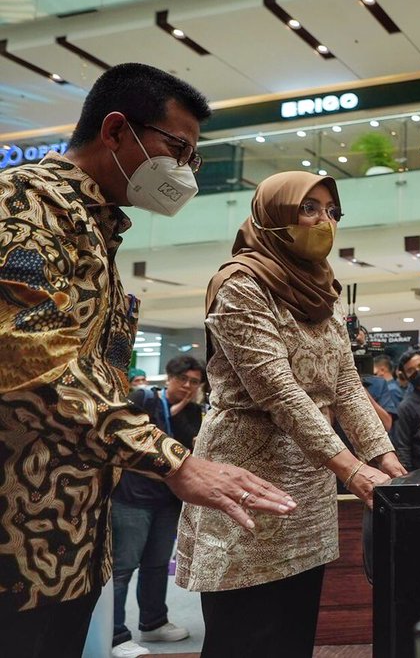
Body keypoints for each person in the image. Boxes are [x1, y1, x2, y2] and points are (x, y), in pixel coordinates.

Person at [0, 62, 296, 658]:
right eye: (177, 148)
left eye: (194, 158)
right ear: (115, 131)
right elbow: (28, 359)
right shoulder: (24, 204)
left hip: (69, 534)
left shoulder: (93, 228)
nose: (185, 170)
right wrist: (172, 460)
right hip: (15, 538)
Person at [175, 172, 405, 657]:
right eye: (310, 208)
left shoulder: (323, 290)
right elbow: (277, 389)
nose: (325, 221)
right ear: (274, 213)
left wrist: (386, 459)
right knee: (247, 634)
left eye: (332, 212)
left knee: (294, 632)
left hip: (309, 484)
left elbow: (345, 384)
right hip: (248, 478)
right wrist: (350, 467)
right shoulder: (240, 282)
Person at [111, 355, 206, 658]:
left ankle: (153, 622)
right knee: (122, 568)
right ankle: (115, 635)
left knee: (155, 565)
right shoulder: (142, 398)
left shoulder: (191, 411)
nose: (189, 386)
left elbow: (189, 450)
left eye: (195, 381)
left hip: (167, 500)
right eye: (184, 380)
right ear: (169, 377)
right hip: (132, 498)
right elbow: (126, 443)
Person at [392, 349, 420, 470]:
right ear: (405, 376)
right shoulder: (405, 407)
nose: (417, 371)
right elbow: (403, 446)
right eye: (410, 370)